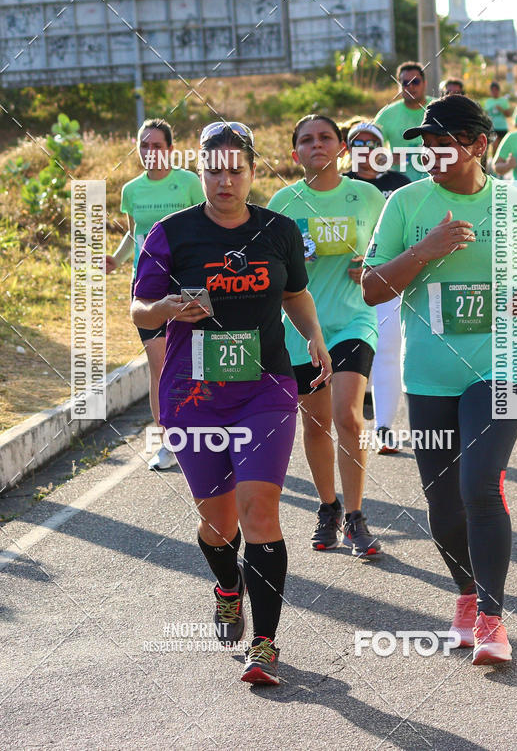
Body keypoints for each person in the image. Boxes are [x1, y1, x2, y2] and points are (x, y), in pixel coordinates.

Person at [362, 94, 517, 665]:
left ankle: (495, 620)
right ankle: (467, 597)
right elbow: (373, 288)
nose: (431, 152)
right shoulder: (405, 203)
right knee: (442, 502)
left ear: (478, 145)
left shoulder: (516, 205)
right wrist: (423, 252)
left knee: (480, 482)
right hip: (430, 376)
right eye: (425, 143)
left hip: (502, 366)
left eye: (443, 143)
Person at [131, 122, 331, 685]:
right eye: (213, 169)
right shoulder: (170, 235)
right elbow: (138, 312)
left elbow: (294, 293)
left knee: (259, 512)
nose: (225, 180)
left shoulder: (279, 231)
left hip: (264, 389)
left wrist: (312, 333)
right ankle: (227, 586)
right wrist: (169, 306)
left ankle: (264, 646)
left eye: (235, 168)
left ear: (251, 171)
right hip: (193, 395)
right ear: (200, 172)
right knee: (218, 526)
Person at [268, 114, 386, 557]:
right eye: (306, 140)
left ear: (341, 148)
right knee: (314, 424)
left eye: (325, 138)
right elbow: (270, 269)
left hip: (354, 319)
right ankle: (328, 507)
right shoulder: (283, 202)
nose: (316, 145)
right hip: (301, 327)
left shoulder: (368, 196)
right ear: (295, 152)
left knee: (348, 416)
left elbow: (386, 249)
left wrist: (373, 266)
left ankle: (356, 516)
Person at [106, 118, 205, 470]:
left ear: (171, 150)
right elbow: (134, 235)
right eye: (143, 145)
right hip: (147, 288)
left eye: (157, 146)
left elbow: (207, 225)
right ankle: (168, 443)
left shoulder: (190, 183)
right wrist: (115, 261)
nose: (150, 152)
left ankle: (205, 435)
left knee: (196, 364)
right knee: (159, 367)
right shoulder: (131, 190)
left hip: (189, 285)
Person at [345, 121, 409, 453]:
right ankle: (347, 423)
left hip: (387, 278)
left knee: (387, 351)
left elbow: (413, 229)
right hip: (344, 284)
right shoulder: (340, 185)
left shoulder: (399, 184)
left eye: (372, 144)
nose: (366, 150)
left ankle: (383, 427)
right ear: (347, 150)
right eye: (358, 143)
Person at [374, 60, 434, 182]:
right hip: (399, 185)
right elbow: (370, 152)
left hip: (437, 182)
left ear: (425, 83)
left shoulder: (439, 108)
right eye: (405, 83)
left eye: (415, 82)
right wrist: (388, 159)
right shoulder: (386, 114)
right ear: (399, 86)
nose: (410, 87)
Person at [483, 81, 511, 155]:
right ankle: (494, 162)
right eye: (493, 90)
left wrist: (501, 109)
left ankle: (503, 162)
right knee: (494, 146)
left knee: (503, 147)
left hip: (503, 127)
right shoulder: (488, 101)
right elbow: (485, 115)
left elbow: (508, 114)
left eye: (496, 90)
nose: (494, 92)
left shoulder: (504, 101)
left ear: (499, 90)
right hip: (493, 128)